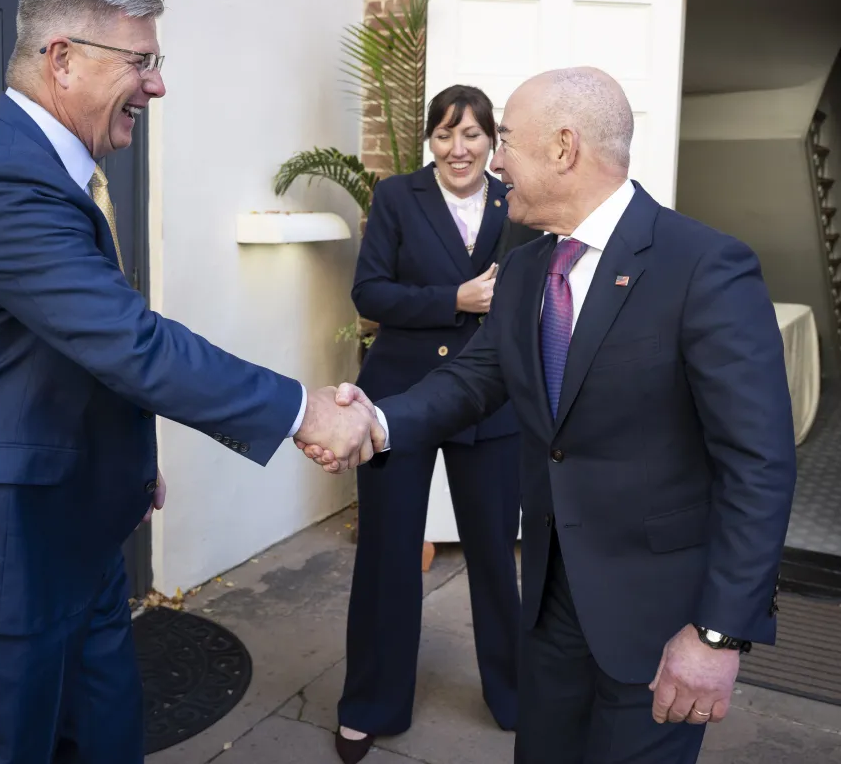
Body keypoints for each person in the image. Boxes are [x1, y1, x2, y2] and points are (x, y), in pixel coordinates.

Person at [0, 0, 374, 764]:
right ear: (61, 59)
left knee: (106, 740)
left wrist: (123, 464)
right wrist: (302, 409)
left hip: (74, 529)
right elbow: (128, 341)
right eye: (142, 63)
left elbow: (69, 350)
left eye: (155, 62)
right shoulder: (3, 179)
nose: (157, 86)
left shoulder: (47, 170)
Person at [304, 67, 797, 764]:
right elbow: (478, 377)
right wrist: (377, 423)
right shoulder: (529, 265)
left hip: (659, 622)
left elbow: (761, 465)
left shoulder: (706, 267)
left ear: (563, 149)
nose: (495, 161)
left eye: (505, 141)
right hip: (552, 600)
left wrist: (718, 634)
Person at [334, 85, 539, 764]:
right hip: (400, 396)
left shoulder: (522, 203)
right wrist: (456, 298)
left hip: (492, 401)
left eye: (474, 135)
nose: (460, 148)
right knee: (387, 557)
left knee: (493, 556)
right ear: (431, 139)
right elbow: (370, 293)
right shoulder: (397, 198)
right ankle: (369, 704)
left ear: (492, 142)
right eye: (447, 134)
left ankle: (515, 697)